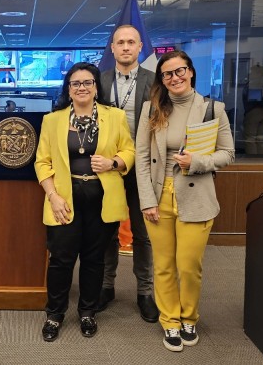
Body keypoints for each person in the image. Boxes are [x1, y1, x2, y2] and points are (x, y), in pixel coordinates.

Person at [135, 51, 235, 352]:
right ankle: (170, 321)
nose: (174, 78)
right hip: (158, 194)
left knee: (189, 265)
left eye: (180, 71)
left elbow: (227, 154)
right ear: (161, 80)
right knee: (163, 264)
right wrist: (146, 200)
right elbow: (141, 156)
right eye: (167, 74)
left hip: (196, 196)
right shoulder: (151, 109)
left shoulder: (212, 108)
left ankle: (189, 316)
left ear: (191, 72)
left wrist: (197, 161)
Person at [34, 62, 135, 342]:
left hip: (102, 198)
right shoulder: (52, 120)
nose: (81, 88)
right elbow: (42, 161)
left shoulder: (114, 116)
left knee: (94, 259)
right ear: (68, 88)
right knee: (61, 260)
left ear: (95, 87)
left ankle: (88, 312)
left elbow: (129, 149)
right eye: (76, 83)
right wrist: (53, 196)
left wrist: (114, 161)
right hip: (63, 199)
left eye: (87, 83)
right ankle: (54, 315)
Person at [97, 24, 159, 323]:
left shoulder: (155, 80)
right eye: (119, 42)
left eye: (131, 42)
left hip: (143, 167)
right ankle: (106, 286)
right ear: (112, 48)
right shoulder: (100, 79)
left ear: (139, 47)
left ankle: (145, 292)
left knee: (142, 232)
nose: (125, 47)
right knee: (107, 229)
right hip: (109, 166)